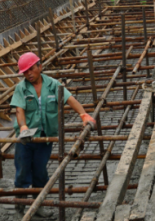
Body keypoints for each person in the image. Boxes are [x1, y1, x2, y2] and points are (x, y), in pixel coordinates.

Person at [11, 51, 95, 208]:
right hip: (26, 137)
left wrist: (83, 115)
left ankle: (38, 206)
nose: (28, 74)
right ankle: (20, 204)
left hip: (45, 137)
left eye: (31, 69)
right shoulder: (21, 88)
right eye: (25, 72)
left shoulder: (53, 85)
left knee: (40, 171)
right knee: (22, 171)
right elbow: (19, 109)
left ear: (40, 66)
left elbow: (70, 99)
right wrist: (23, 126)